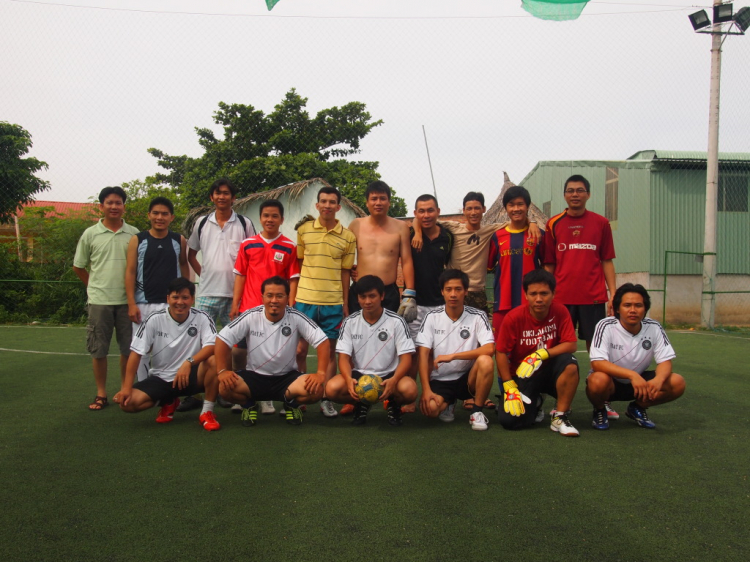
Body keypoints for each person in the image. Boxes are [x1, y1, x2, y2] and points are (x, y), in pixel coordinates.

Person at [209, 276, 331, 427]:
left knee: (317, 390)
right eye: (270, 295)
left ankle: (291, 404)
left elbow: (323, 341)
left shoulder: (296, 317)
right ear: (262, 297)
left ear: (287, 298)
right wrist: (222, 370)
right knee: (224, 388)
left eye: (279, 296)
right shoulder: (251, 316)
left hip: (287, 379)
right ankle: (249, 404)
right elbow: (222, 339)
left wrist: (321, 373)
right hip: (254, 378)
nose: (274, 300)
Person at [543, 174, 618, 418]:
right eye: (571, 190)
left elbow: (606, 261)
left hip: (593, 297)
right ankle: (561, 401)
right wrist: (547, 296)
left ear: (588, 194)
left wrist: (613, 294)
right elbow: (549, 265)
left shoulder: (601, 223)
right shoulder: (553, 223)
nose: (575, 194)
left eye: (580, 190)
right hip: (561, 299)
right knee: (558, 351)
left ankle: (602, 401)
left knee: (597, 352)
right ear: (565, 195)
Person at [183, 178, 255, 413]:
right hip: (206, 295)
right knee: (200, 344)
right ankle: (195, 392)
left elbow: (252, 257)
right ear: (211, 197)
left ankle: (233, 391)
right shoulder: (202, 223)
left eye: (226, 193)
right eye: (217, 193)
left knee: (238, 346)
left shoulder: (244, 223)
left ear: (234, 198)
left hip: (236, 296)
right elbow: (191, 254)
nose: (222, 197)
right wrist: (203, 275)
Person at [114, 277, 220, 432]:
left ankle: (207, 412)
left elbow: (212, 346)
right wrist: (126, 388)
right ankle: (168, 401)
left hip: (192, 376)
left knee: (215, 360)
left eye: (185, 297)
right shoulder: (154, 319)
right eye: (175, 297)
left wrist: (188, 363)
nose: (180, 302)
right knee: (128, 404)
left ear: (192, 299)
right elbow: (136, 353)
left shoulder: (202, 317)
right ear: (168, 298)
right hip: (162, 378)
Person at [412, 191, 541, 315]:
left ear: (484, 209)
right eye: (469, 208)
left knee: (479, 332)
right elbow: (419, 219)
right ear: (463, 210)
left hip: (477, 291)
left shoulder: (491, 230)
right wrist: (418, 233)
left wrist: (533, 222)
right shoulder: (453, 227)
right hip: (455, 290)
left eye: (477, 208)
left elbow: (517, 220)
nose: (473, 212)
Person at [230, 198, 300, 415]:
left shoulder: (289, 246)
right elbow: (241, 275)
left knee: (270, 351)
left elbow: (293, 279)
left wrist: (291, 303)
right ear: (260, 218)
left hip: (276, 311)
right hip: (249, 307)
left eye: (275, 216)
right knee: (240, 350)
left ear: (282, 219)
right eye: (266, 216)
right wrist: (236, 304)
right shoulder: (247, 244)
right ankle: (240, 390)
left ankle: (266, 397)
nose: (270, 219)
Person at [73, 186, 140, 411]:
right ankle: (101, 393)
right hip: (99, 302)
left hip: (127, 302)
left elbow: (138, 268)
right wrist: (93, 287)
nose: (114, 206)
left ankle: (124, 389)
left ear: (123, 207)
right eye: (109, 202)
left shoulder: (134, 233)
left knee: (128, 349)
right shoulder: (90, 234)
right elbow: (79, 266)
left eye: (118, 202)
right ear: (101, 206)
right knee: (99, 349)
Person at [586, 284, 685, 430]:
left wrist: (658, 380)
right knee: (597, 380)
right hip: (611, 383)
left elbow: (665, 361)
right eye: (627, 305)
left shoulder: (654, 327)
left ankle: (637, 408)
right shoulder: (606, 325)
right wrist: (632, 375)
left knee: (677, 382)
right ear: (617, 309)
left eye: (638, 305)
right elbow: (597, 363)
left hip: (640, 384)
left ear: (645, 309)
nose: (633, 310)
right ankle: (600, 409)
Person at [294, 186, 356, 418]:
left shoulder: (348, 236)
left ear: (338, 207)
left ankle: (324, 398)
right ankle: (300, 395)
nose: (327, 205)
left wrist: (345, 302)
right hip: (305, 301)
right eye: (323, 201)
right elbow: (300, 264)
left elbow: (345, 272)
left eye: (332, 202)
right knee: (300, 350)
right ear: (317, 205)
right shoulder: (304, 230)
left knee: (329, 354)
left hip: (333, 303)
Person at [495, 269, 581, 436]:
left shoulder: (560, 311)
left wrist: (541, 354)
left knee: (570, 363)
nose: (539, 299)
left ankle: (560, 417)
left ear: (553, 293)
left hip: (550, 371)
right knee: (510, 422)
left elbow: (571, 344)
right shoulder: (514, 317)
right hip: (523, 374)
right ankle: (537, 400)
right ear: (526, 295)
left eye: (544, 293)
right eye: (533, 293)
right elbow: (500, 353)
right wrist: (508, 384)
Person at [325, 275, 417, 426]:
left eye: (372, 296)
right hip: (359, 375)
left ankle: (393, 404)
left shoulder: (396, 321)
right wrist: (348, 379)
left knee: (410, 389)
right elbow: (343, 358)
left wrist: (394, 380)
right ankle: (361, 403)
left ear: (382, 296)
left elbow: (406, 358)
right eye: (363, 297)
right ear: (358, 298)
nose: (367, 301)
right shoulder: (349, 322)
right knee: (331, 388)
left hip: (389, 374)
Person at [415, 269, 495, 431]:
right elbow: (423, 354)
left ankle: (477, 411)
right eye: (449, 289)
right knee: (430, 410)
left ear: (465, 291)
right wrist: (426, 390)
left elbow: (489, 348)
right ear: (442, 292)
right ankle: (449, 402)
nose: (453, 294)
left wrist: (453, 356)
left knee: (485, 360)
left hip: (467, 379)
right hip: (441, 379)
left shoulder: (478, 316)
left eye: (458, 289)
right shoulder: (431, 317)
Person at [125, 196, 189, 382]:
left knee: (171, 347)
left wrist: (185, 298)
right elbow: (130, 272)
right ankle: (144, 387)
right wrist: (131, 303)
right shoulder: (138, 240)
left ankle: (169, 387)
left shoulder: (179, 240)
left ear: (172, 217)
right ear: (149, 215)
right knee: (141, 349)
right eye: (156, 213)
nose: (159, 217)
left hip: (172, 305)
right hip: (143, 304)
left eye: (164, 214)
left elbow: (184, 266)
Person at [401, 194, 453, 414]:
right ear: (415, 214)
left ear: (438, 212)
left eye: (430, 210)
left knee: (435, 354)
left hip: (439, 305)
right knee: (412, 353)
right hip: (415, 304)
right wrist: (417, 230)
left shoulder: (448, 237)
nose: (426, 215)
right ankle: (409, 397)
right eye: (421, 211)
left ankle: (434, 394)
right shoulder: (409, 234)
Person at [348, 180, 416, 317]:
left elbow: (407, 261)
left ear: (389, 202)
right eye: (374, 199)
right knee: (358, 334)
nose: (378, 203)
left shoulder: (401, 227)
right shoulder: (356, 225)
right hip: (360, 291)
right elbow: (343, 255)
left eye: (383, 198)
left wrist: (409, 294)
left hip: (388, 293)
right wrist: (350, 269)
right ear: (367, 202)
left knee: (388, 335)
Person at [487, 186, 543, 334]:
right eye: (511, 205)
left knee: (531, 346)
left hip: (531, 302)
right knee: (502, 347)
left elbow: (548, 267)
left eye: (520, 204)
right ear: (506, 208)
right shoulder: (497, 236)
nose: (516, 209)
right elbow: (489, 266)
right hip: (503, 302)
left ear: (527, 206)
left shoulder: (538, 234)